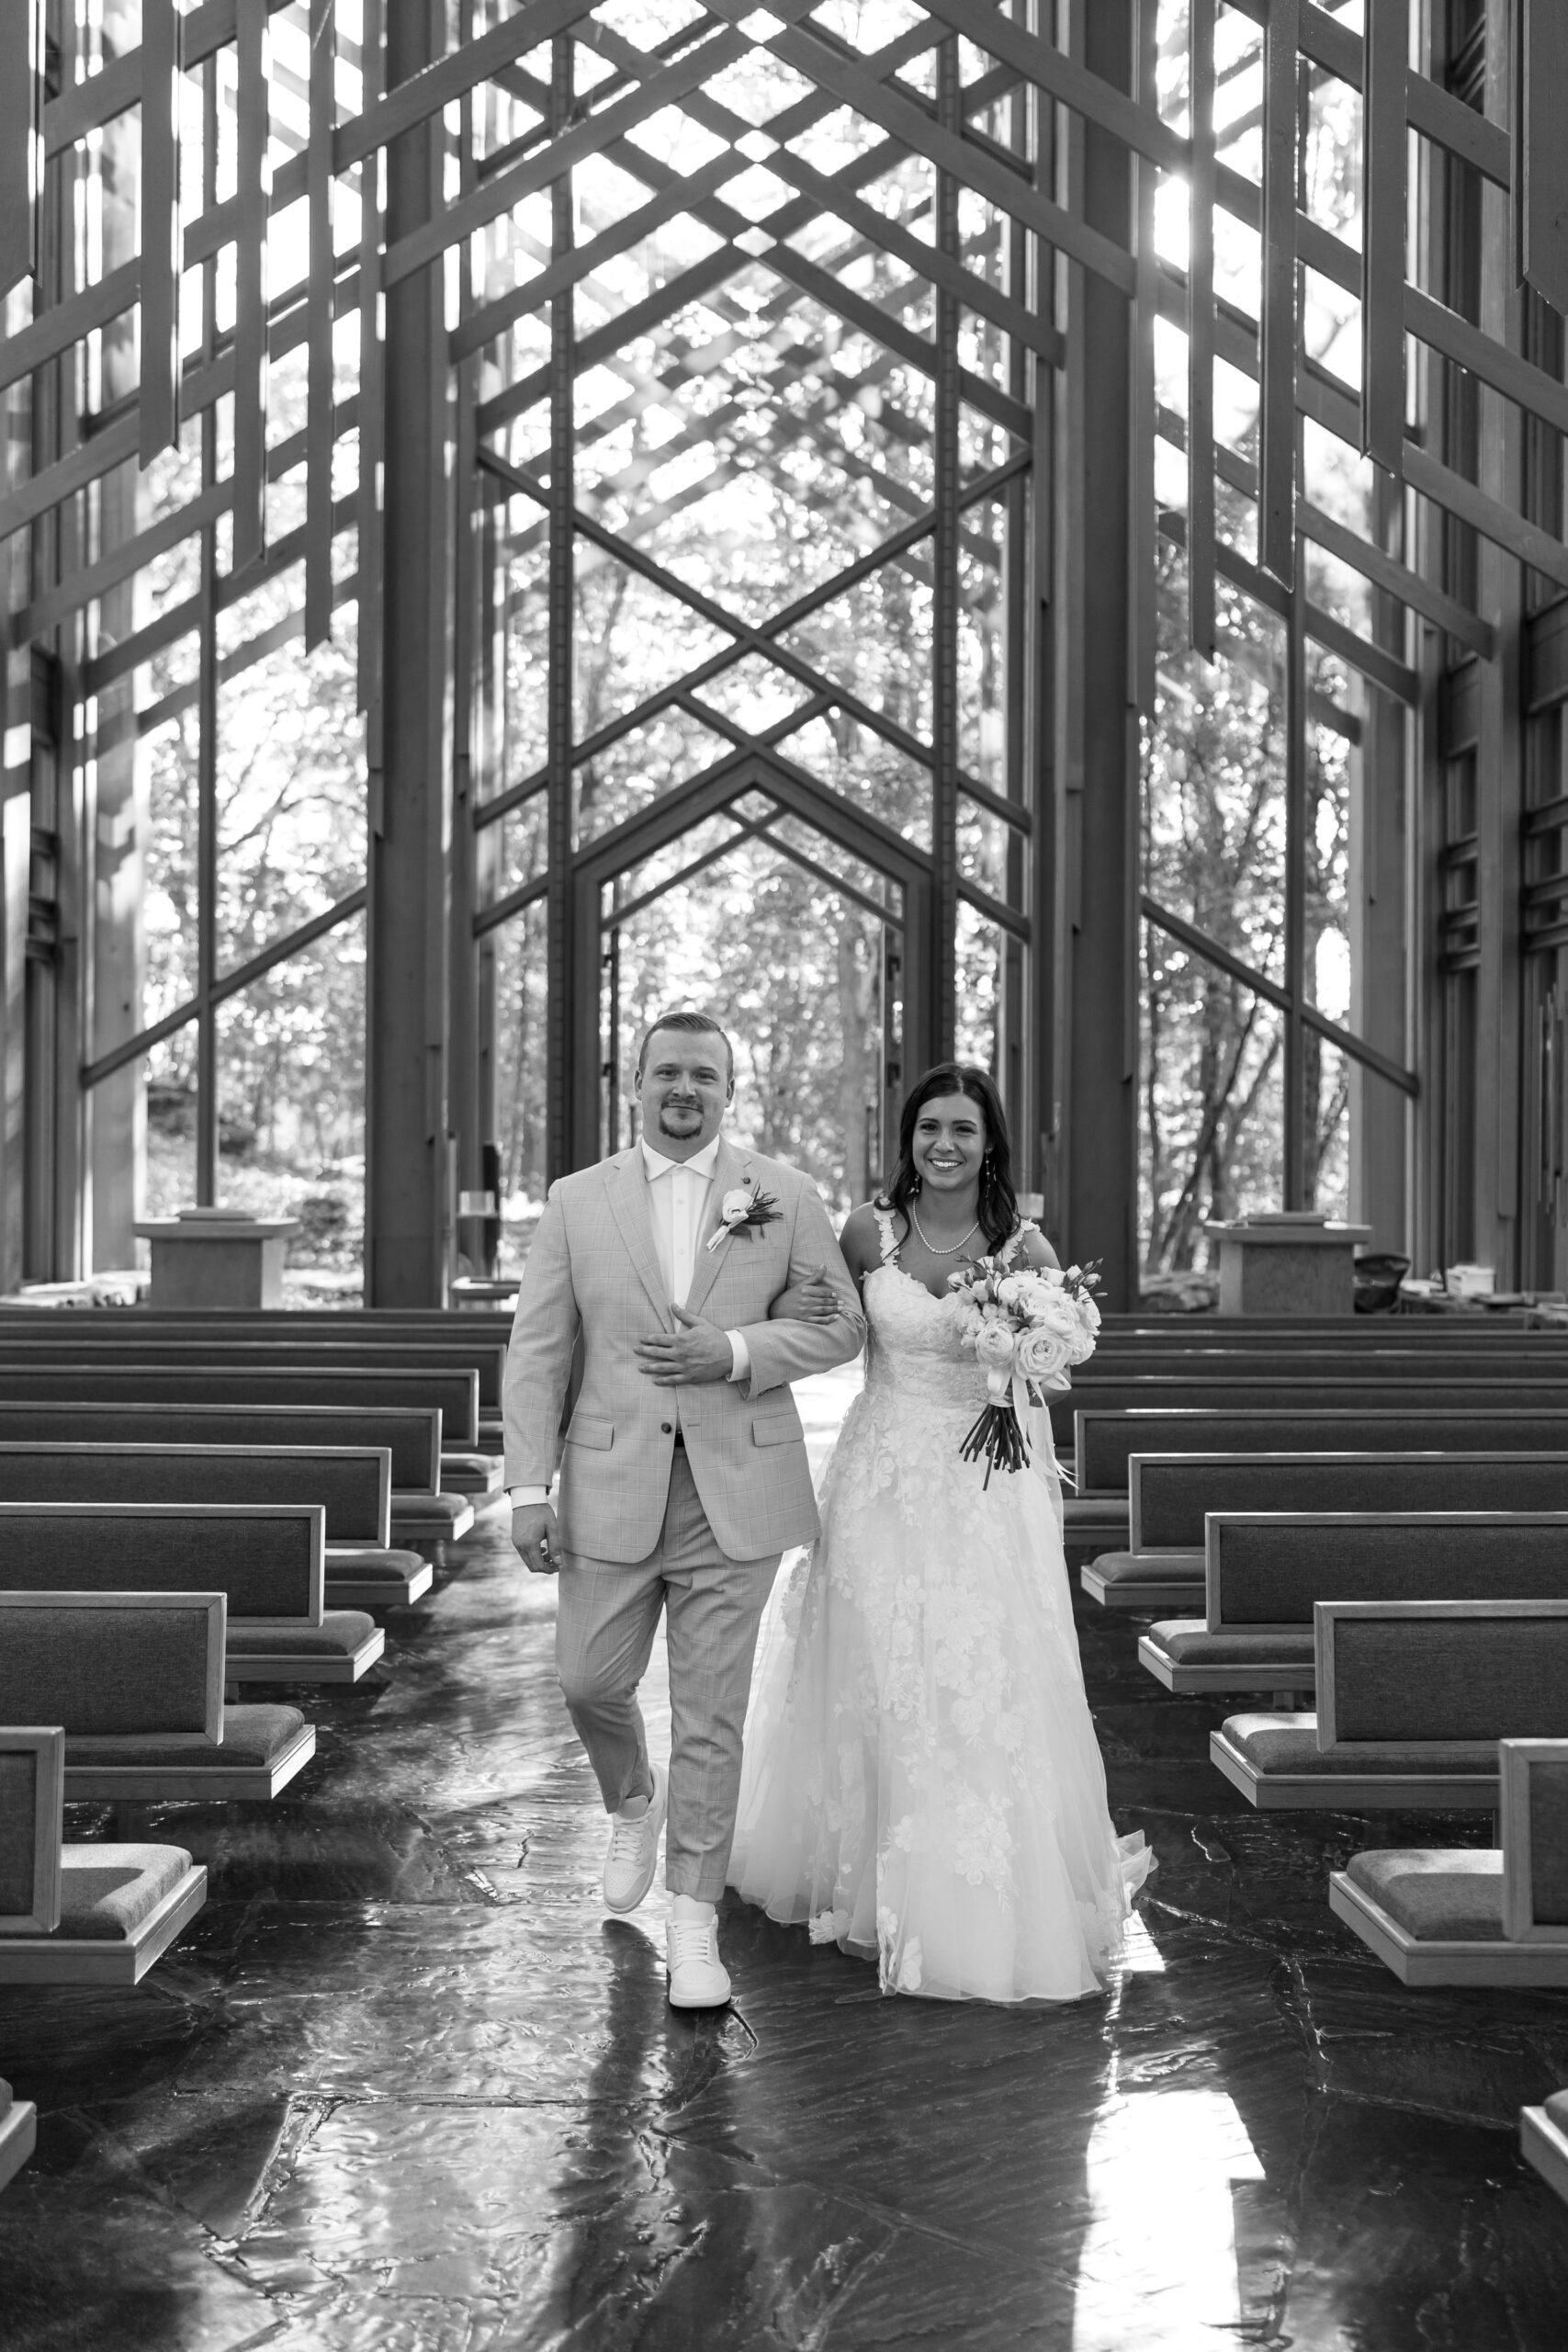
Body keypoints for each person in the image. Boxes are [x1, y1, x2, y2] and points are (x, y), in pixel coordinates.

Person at [728, 1061, 1151, 2002]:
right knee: (872, 1666)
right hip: (879, 1471)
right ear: (909, 1138)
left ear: (989, 1140)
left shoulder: (1023, 1245)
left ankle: (970, 1891)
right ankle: (862, 1874)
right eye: (929, 1129)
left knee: (976, 1670)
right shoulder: (867, 1230)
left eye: (962, 1129)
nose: (945, 1145)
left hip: (982, 1486)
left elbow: (1052, 1364)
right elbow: (830, 1328)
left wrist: (1018, 1357)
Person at [502, 1011, 865, 2010]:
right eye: (669, 1071)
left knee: (713, 1715)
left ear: (729, 1090)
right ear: (636, 1082)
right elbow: (537, 1350)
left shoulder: (784, 1195)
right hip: (610, 1482)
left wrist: (737, 1352)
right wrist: (529, 1486)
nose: (685, 1089)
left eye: (705, 1075)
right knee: (587, 1680)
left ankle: (694, 1923)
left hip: (735, 1489)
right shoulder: (577, 1202)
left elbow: (840, 1322)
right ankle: (633, 1800)